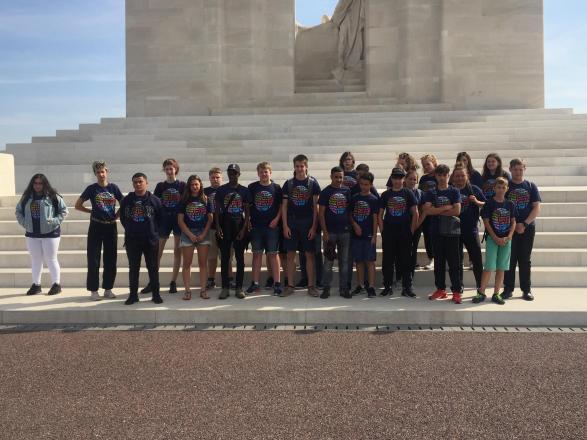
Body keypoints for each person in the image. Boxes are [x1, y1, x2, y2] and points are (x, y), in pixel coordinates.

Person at [75, 161, 123, 301]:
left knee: (111, 259)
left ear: (107, 171)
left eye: (103, 171)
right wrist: (91, 211)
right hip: (96, 226)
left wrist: (116, 216)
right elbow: (78, 205)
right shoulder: (91, 188)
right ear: (95, 174)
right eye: (98, 172)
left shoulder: (114, 188)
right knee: (93, 259)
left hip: (110, 226)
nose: (101, 174)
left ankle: (108, 289)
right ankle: (93, 291)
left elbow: (123, 203)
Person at [16, 174, 68, 296]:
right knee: (36, 260)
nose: (37, 186)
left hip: (50, 233)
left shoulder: (53, 196)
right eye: (35, 183)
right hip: (32, 233)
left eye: (40, 183)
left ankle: (56, 284)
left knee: (51, 259)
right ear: (32, 184)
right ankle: (36, 285)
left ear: (45, 184)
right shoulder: (26, 197)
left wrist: (53, 222)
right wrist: (24, 223)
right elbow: (18, 211)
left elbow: (64, 210)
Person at [119, 173, 163, 305]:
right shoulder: (126, 200)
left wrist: (153, 233)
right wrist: (131, 230)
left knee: (153, 268)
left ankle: (156, 294)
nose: (138, 184)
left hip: (150, 240)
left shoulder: (155, 200)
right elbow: (123, 218)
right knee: (133, 268)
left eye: (140, 181)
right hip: (132, 240)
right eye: (135, 182)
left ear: (146, 183)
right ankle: (133, 295)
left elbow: (161, 219)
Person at [282, 154, 321, 297]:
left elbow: (316, 207)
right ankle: (290, 285)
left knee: (310, 255)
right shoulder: (289, 184)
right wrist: (285, 226)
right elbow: (284, 207)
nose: (299, 169)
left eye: (302, 166)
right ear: (294, 167)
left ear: (306, 167)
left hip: (307, 221)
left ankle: (311, 285)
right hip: (292, 222)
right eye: (297, 166)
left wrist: (314, 226)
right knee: (290, 254)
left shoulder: (313, 183)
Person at [423, 164, 463, 304]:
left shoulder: (454, 191)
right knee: (439, 263)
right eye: (439, 175)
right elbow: (427, 211)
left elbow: (457, 211)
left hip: (451, 232)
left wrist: (437, 209)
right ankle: (440, 289)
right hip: (436, 231)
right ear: (436, 176)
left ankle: (457, 291)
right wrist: (447, 207)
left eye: (444, 175)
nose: (441, 178)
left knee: (454, 263)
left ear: (448, 175)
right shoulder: (431, 192)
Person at [503, 158, 541, 301]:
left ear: (524, 169)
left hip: (527, 227)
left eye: (521, 169)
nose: (518, 172)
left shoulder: (531, 186)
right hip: (510, 228)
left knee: (525, 260)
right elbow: (501, 206)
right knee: (510, 259)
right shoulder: (506, 186)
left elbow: (536, 207)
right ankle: (508, 289)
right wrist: (514, 225)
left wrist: (524, 224)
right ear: (510, 169)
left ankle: (526, 290)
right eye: (515, 169)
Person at [146, 158, 185, 295]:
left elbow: (187, 203)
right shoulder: (160, 186)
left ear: (176, 169)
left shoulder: (182, 185)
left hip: (178, 221)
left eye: (171, 168)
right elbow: (154, 204)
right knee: (158, 251)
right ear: (164, 170)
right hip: (163, 221)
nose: (169, 171)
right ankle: (153, 281)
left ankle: (173, 282)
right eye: (167, 169)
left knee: (177, 251)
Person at [378, 167, 419, 297]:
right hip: (389, 230)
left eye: (400, 178)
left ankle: (407, 286)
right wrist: (382, 230)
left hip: (404, 229)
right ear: (392, 179)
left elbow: (415, 212)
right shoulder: (385, 194)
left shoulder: (408, 193)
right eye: (395, 178)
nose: (397, 181)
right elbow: (380, 214)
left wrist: (412, 230)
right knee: (388, 260)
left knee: (406, 259)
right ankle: (387, 285)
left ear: (403, 179)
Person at [476, 177, 517, 305]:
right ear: (494, 188)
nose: (500, 189)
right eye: (498, 187)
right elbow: (486, 221)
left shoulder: (510, 204)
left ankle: (496, 293)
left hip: (506, 239)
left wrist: (509, 235)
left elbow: (513, 221)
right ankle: (481, 292)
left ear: (507, 189)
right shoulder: (489, 203)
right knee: (489, 266)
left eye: (503, 187)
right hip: (493, 239)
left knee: (501, 267)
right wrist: (495, 237)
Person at [215, 164, 251, 299]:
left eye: (235, 173)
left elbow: (247, 212)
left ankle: (239, 287)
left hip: (238, 225)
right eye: (230, 173)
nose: (232, 175)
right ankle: (225, 287)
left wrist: (243, 229)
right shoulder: (221, 190)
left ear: (239, 174)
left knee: (240, 258)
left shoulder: (244, 191)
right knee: (225, 258)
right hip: (225, 226)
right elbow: (217, 210)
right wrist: (217, 227)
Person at [247, 162, 283, 296]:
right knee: (257, 254)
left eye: (266, 171)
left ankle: (277, 283)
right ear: (258, 173)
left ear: (270, 173)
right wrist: (248, 220)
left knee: (273, 254)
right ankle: (255, 283)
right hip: (256, 226)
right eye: (261, 172)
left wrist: (276, 219)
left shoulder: (276, 188)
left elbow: (281, 206)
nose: (264, 174)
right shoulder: (252, 187)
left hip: (271, 226)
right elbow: (248, 206)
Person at [178, 175, 213, 300]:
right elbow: (180, 221)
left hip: (203, 232)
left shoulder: (206, 199)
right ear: (189, 186)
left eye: (196, 184)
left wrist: (203, 234)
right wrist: (190, 234)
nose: (194, 187)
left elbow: (210, 219)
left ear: (200, 185)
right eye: (192, 184)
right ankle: (187, 291)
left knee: (203, 263)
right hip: (188, 233)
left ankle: (203, 290)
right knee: (187, 263)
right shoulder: (184, 200)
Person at [318, 167, 352, 299]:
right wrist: (325, 232)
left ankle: (344, 288)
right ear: (331, 177)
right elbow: (321, 213)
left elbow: (349, 212)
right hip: (330, 233)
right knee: (328, 262)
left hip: (345, 232)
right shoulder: (326, 192)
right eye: (336, 177)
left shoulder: (347, 191)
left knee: (344, 262)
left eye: (341, 177)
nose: (338, 180)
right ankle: (326, 288)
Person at [451, 164, 486, 290]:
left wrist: (476, 202)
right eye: (457, 176)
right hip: (453, 230)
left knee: (477, 259)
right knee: (456, 260)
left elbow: (486, 204)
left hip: (471, 230)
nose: (460, 178)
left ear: (467, 176)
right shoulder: (450, 190)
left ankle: (480, 286)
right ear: (453, 177)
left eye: (462, 175)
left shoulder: (474, 189)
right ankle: (458, 286)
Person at [349, 172, 378, 298]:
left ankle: (371, 286)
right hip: (356, 235)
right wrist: (355, 225)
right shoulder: (354, 198)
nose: (364, 187)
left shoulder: (374, 199)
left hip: (368, 235)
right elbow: (349, 214)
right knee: (359, 261)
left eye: (366, 184)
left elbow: (375, 218)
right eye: (362, 184)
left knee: (370, 261)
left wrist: (374, 235)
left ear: (371, 185)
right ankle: (360, 285)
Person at [419, 154, 438, 270]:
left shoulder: (440, 176)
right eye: (424, 165)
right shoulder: (423, 179)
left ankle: (440, 258)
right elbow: (421, 194)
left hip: (438, 210)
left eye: (428, 164)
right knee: (427, 234)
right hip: (426, 211)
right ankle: (431, 258)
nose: (426, 167)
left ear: (434, 163)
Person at [405, 170, 424, 277]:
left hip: (417, 224)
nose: (412, 181)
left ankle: (411, 274)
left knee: (413, 248)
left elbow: (423, 211)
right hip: (404, 224)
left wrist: (416, 224)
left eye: (414, 179)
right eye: (410, 178)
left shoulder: (420, 193)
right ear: (405, 179)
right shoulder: (401, 191)